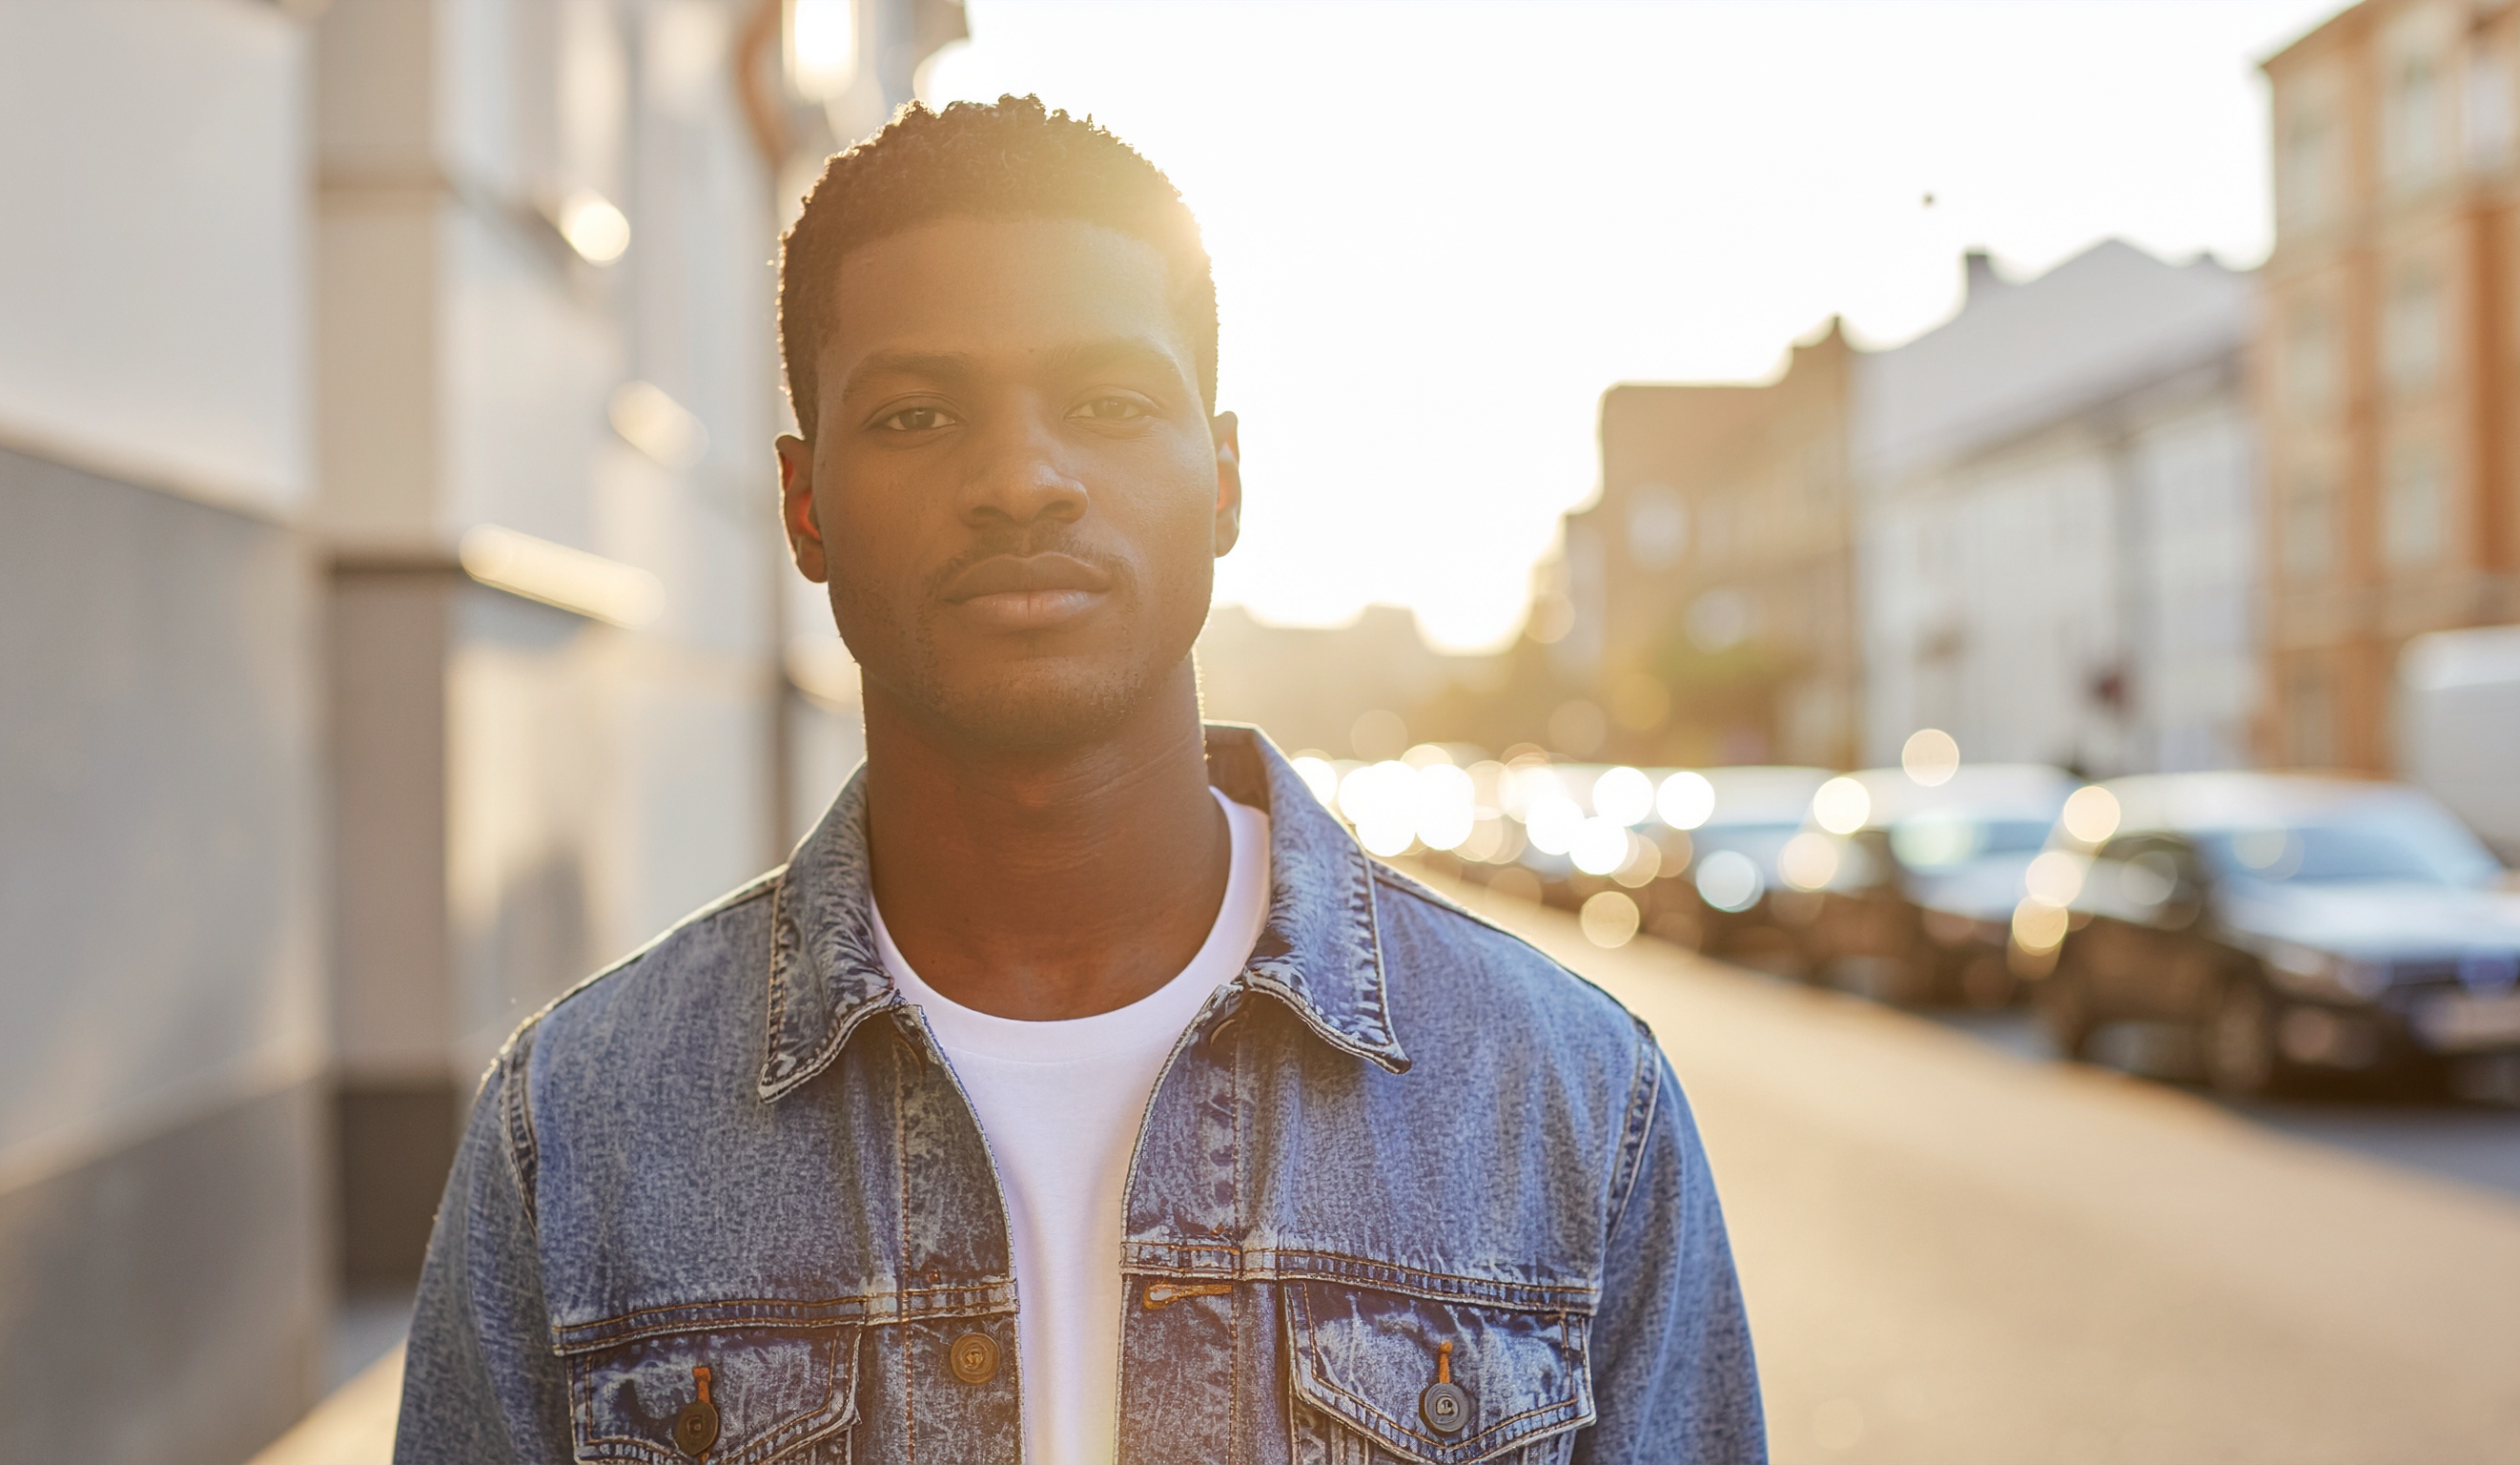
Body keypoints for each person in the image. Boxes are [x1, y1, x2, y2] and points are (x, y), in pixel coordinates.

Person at [395, 94, 1762, 1465]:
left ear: (1223, 481)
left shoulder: (1569, 1102)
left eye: (1109, 404)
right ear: (807, 506)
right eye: (919, 414)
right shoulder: (574, 1130)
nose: (1023, 479)